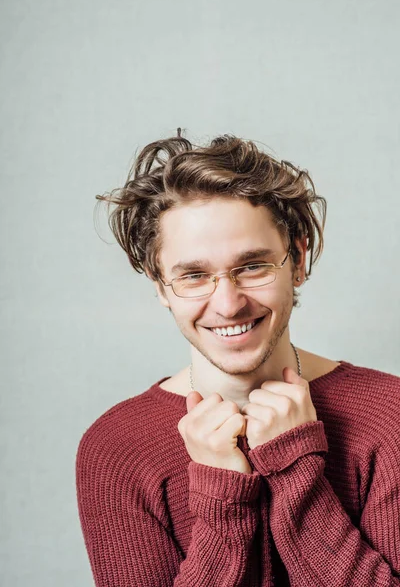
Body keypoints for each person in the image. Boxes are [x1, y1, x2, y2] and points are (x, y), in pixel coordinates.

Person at [75, 130, 400, 586]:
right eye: (193, 275)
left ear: (299, 260)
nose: (228, 304)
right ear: (159, 285)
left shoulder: (392, 418)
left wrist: (295, 473)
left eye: (252, 266)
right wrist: (221, 499)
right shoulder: (118, 449)